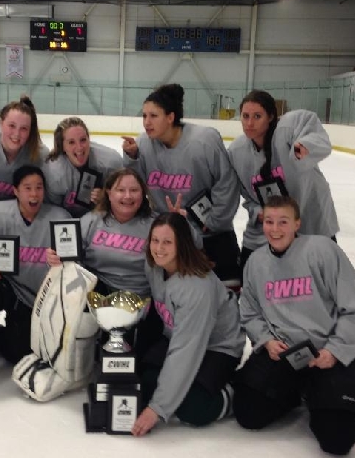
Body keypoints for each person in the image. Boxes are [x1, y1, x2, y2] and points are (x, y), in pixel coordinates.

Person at [233, 196, 355, 456]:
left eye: (283, 222)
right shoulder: (255, 262)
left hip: (327, 355)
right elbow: (250, 312)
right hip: (284, 355)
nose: (275, 229)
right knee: (248, 414)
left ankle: (319, 392)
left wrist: (334, 351)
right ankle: (297, 391)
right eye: (269, 222)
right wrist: (266, 340)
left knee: (338, 439)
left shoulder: (322, 251)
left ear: (297, 224)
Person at [131, 213, 246, 437]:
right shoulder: (154, 266)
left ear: (181, 244)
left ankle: (237, 388)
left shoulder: (196, 288)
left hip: (218, 347)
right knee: (147, 382)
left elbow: (185, 351)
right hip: (179, 336)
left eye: (167, 242)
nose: (159, 248)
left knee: (194, 408)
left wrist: (157, 409)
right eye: (155, 240)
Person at [121, 83, 240, 282]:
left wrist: (214, 223)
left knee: (224, 289)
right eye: (144, 116)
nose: (147, 122)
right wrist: (132, 157)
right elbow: (135, 186)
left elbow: (226, 184)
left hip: (211, 235)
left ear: (170, 117)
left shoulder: (204, 141)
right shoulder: (143, 145)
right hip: (169, 237)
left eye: (153, 116)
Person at [0, 166, 71, 366]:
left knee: (19, 352)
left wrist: (62, 261)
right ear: (15, 191)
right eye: (27, 188)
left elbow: (74, 262)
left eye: (39, 187)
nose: (34, 194)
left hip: (41, 297)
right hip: (10, 287)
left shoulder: (61, 218)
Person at [227, 89, 339, 280]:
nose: (249, 123)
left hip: (311, 222)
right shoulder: (237, 152)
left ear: (271, 117)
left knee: (323, 279)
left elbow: (313, 131)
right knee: (249, 274)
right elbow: (247, 195)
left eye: (257, 116)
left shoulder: (287, 130)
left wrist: (306, 146)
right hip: (271, 228)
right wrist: (258, 211)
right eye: (245, 116)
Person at [46, 167, 154, 298]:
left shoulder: (155, 226)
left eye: (134, 190)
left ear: (143, 194)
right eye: (120, 190)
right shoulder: (91, 220)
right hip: (95, 294)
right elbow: (69, 261)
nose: (127, 196)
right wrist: (56, 258)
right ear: (109, 193)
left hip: (138, 297)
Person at [42, 117, 123, 217]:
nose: (79, 147)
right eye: (71, 142)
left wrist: (107, 198)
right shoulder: (54, 172)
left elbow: (124, 199)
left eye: (83, 140)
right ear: (62, 146)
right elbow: (52, 211)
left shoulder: (110, 162)